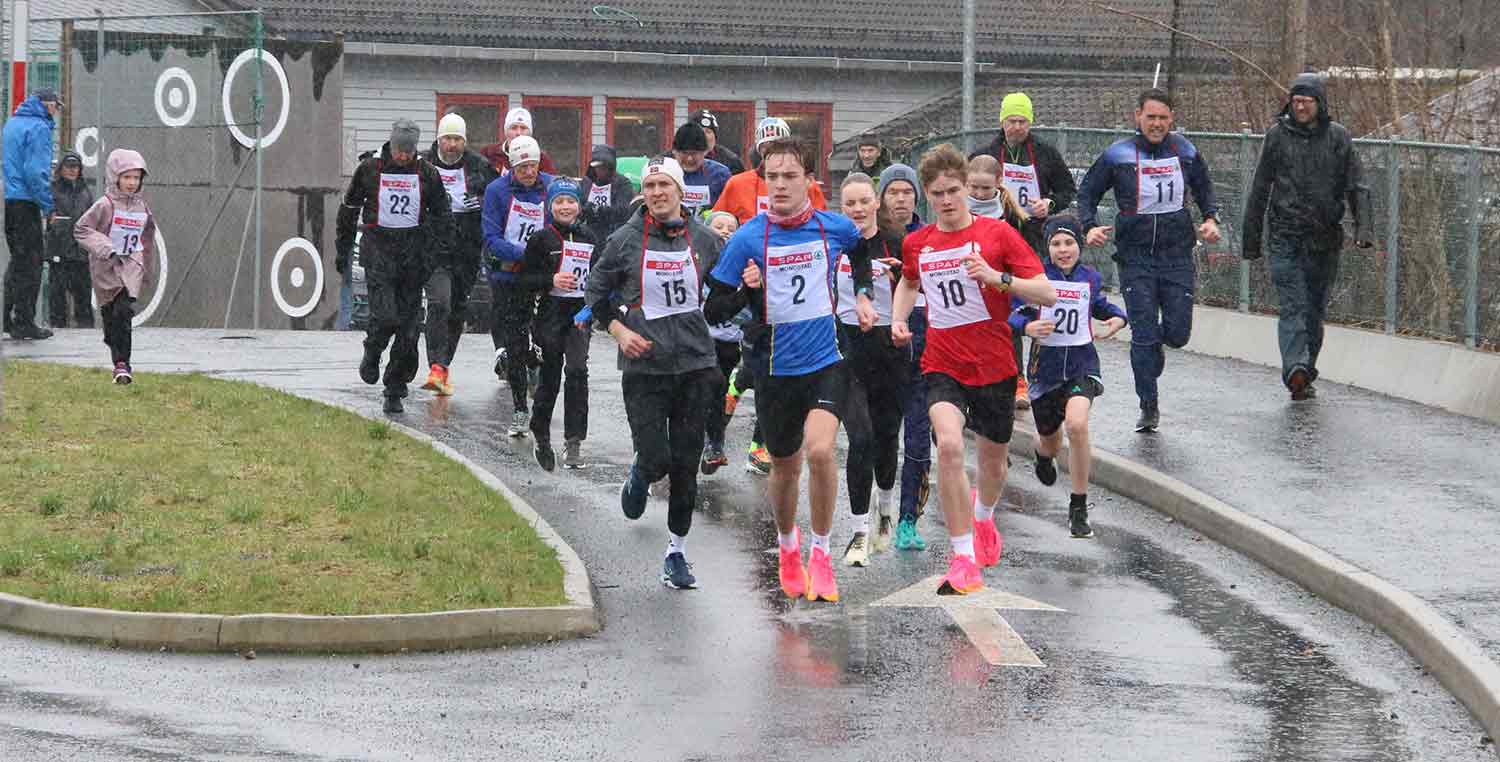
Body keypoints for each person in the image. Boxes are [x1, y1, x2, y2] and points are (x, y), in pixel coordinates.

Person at [705, 138, 878, 603]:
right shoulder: (747, 237)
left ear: (808, 181)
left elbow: (861, 252)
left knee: (822, 451)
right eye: (772, 177)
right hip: (775, 368)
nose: (780, 184)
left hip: (826, 360)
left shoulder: (833, 228)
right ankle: (788, 547)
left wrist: (862, 295)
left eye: (790, 176)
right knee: (785, 467)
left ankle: (820, 554)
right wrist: (745, 292)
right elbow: (713, 307)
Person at [890, 143, 1056, 595]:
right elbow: (908, 281)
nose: (946, 200)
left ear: (967, 189)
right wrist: (898, 318)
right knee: (947, 446)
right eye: (937, 193)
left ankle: (983, 518)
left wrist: (997, 278)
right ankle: (962, 556)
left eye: (954, 190)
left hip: (995, 364)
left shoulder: (998, 236)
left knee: (993, 464)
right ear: (928, 195)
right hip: (942, 362)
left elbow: (1046, 292)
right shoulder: (918, 242)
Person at [587, 157, 722, 590]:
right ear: (642, 192)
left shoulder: (704, 239)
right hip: (644, 368)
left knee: (685, 464)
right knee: (658, 457)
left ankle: (677, 553)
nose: (658, 193)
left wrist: (749, 284)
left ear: (681, 191)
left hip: (695, 366)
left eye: (665, 184)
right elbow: (596, 291)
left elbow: (724, 294)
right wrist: (617, 330)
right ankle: (642, 471)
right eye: (650, 186)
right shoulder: (625, 239)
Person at [1077, 88, 1220, 432]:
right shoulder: (1118, 154)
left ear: (1172, 119)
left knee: (1177, 333)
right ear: (1137, 117)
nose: (1156, 124)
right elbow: (1088, 192)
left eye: (1163, 118)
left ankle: (1156, 347)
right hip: (1135, 257)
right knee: (1143, 333)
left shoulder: (1184, 150)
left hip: (1176, 256)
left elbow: (1204, 187)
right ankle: (1148, 405)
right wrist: (1089, 227)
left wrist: (1210, 218)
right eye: (1150, 117)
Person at [1243, 73, 1373, 401]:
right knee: (1294, 305)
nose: (1300, 107)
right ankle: (1294, 366)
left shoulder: (1339, 138)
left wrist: (1364, 229)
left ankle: (1305, 370)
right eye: (1296, 101)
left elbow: (1357, 186)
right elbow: (1260, 188)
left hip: (1325, 239)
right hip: (1285, 237)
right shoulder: (1276, 136)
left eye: (1307, 101)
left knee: (1314, 311)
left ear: (1320, 103)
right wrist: (1251, 238)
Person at [1011, 215, 1127, 538]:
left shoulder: (1089, 278)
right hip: (1044, 371)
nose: (1063, 250)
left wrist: (1119, 318)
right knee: (1050, 439)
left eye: (1069, 243)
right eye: (1056, 244)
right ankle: (1043, 456)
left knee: (1077, 424)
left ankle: (1078, 507)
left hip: (1081, 365)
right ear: (1047, 248)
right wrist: (1028, 327)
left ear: (1079, 246)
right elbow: (1014, 313)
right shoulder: (1037, 279)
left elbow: (1101, 306)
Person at [337, 119, 455, 414]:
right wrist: (342, 249)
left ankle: (394, 387)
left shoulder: (427, 173)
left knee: (409, 328)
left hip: (413, 258)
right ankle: (373, 349)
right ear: (391, 144)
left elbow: (442, 215)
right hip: (379, 253)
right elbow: (348, 211)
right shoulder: (369, 169)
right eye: (399, 150)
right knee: (386, 316)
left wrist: (434, 254)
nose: (403, 156)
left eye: (409, 151)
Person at [835, 172, 907, 564]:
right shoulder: (835, 244)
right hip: (847, 348)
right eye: (850, 204)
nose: (858, 210)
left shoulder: (896, 242)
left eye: (864, 202)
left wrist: (900, 279)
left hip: (889, 348)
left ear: (876, 203)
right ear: (841, 208)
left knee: (885, 435)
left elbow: (919, 292)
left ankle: (885, 505)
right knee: (859, 437)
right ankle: (859, 530)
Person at [518, 177, 597, 471]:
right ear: (550, 206)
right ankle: (541, 433)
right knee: (550, 375)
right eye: (559, 202)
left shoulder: (589, 236)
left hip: (579, 315)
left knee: (577, 372)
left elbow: (598, 274)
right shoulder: (541, 239)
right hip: (550, 313)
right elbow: (523, 280)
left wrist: (594, 306)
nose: (566, 207)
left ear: (579, 205)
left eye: (571, 201)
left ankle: (574, 441)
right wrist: (550, 280)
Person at [482, 135, 556, 435]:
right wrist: (523, 254)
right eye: (522, 166)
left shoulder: (550, 186)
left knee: (542, 340)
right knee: (514, 343)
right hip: (509, 275)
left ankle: (536, 374)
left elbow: (562, 222)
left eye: (533, 166)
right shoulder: (496, 191)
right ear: (512, 167)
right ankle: (519, 408)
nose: (529, 172)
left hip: (541, 277)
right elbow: (491, 237)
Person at [420, 113, 497, 396]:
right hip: (434, 249)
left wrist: (479, 201)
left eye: (457, 139)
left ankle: (443, 366)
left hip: (466, 248)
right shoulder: (424, 162)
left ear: (464, 141)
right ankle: (436, 367)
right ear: (438, 139)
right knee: (439, 302)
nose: (451, 145)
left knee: (456, 308)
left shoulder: (479, 166)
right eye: (447, 139)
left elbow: (497, 199)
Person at [878, 162, 931, 550]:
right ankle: (875, 512)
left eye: (907, 192)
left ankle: (908, 519)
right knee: (880, 440)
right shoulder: (870, 237)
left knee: (917, 442)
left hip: (925, 352)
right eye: (893, 192)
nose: (901, 198)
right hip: (881, 354)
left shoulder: (931, 237)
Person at [73, 149, 156, 384]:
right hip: (105, 268)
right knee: (111, 319)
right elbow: (82, 229)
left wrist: (145, 266)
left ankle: (123, 365)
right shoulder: (105, 204)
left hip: (131, 266)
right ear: (115, 177)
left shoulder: (143, 208)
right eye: (127, 177)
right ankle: (114, 346)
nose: (132, 183)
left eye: (136, 178)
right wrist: (105, 246)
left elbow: (147, 236)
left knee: (124, 312)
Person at [968, 154, 1036, 410]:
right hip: (969, 282)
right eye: (973, 187)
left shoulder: (1010, 214)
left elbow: (1023, 250)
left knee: (1009, 329)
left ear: (998, 182)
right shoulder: (957, 208)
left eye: (986, 188)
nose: (979, 193)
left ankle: (1018, 380)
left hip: (1003, 281)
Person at [973, 92, 1076, 256]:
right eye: (1011, 121)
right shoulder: (984, 156)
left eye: (1022, 122)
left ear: (1030, 123)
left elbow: (1067, 190)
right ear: (1002, 122)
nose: (1017, 127)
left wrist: (1049, 204)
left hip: (1035, 236)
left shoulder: (1046, 153)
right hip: (993, 233)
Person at [3, 88, 63, 340]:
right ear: (46, 105)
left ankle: (6, 317)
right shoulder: (39, 128)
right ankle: (25, 321)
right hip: (27, 203)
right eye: (55, 106)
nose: (56, 112)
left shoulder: (12, 123)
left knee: (17, 262)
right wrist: (48, 206)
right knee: (31, 264)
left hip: (9, 200)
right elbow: (35, 172)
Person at [711, 117, 828, 224]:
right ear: (759, 150)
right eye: (766, 148)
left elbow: (822, 223)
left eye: (778, 147)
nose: (773, 153)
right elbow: (716, 222)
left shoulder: (807, 185)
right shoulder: (737, 184)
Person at [701, 210, 743, 474]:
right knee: (709, 386)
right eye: (719, 226)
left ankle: (714, 443)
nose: (726, 230)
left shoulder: (745, 262)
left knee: (718, 391)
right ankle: (709, 443)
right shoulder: (702, 259)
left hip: (730, 341)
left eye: (731, 227)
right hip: (700, 340)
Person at [46, 151, 95, 329]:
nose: (73, 170)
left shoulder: (85, 191)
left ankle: (86, 332)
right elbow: (46, 216)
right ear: (61, 168)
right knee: (57, 297)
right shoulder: (52, 189)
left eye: (76, 167)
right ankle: (57, 329)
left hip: (80, 252)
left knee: (83, 297)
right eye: (69, 166)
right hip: (59, 251)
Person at [671, 121, 731, 217]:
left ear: (705, 152)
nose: (689, 159)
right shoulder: (665, 172)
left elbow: (729, 211)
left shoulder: (719, 174)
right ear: (674, 152)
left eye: (694, 153)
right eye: (685, 153)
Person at [581, 144, 636, 243]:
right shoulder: (587, 182)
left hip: (614, 234)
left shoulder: (623, 183)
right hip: (590, 234)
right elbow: (580, 206)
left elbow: (623, 211)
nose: (599, 170)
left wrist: (598, 210)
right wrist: (586, 209)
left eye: (603, 167)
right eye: (597, 167)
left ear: (610, 167)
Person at [479, 107, 558, 175]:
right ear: (506, 131)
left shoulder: (541, 159)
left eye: (523, 128)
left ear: (530, 133)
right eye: (514, 128)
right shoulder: (488, 153)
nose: (518, 133)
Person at [694, 109, 746, 175]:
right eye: (699, 131)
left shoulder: (731, 161)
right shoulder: (679, 158)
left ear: (715, 136)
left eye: (708, 132)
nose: (704, 136)